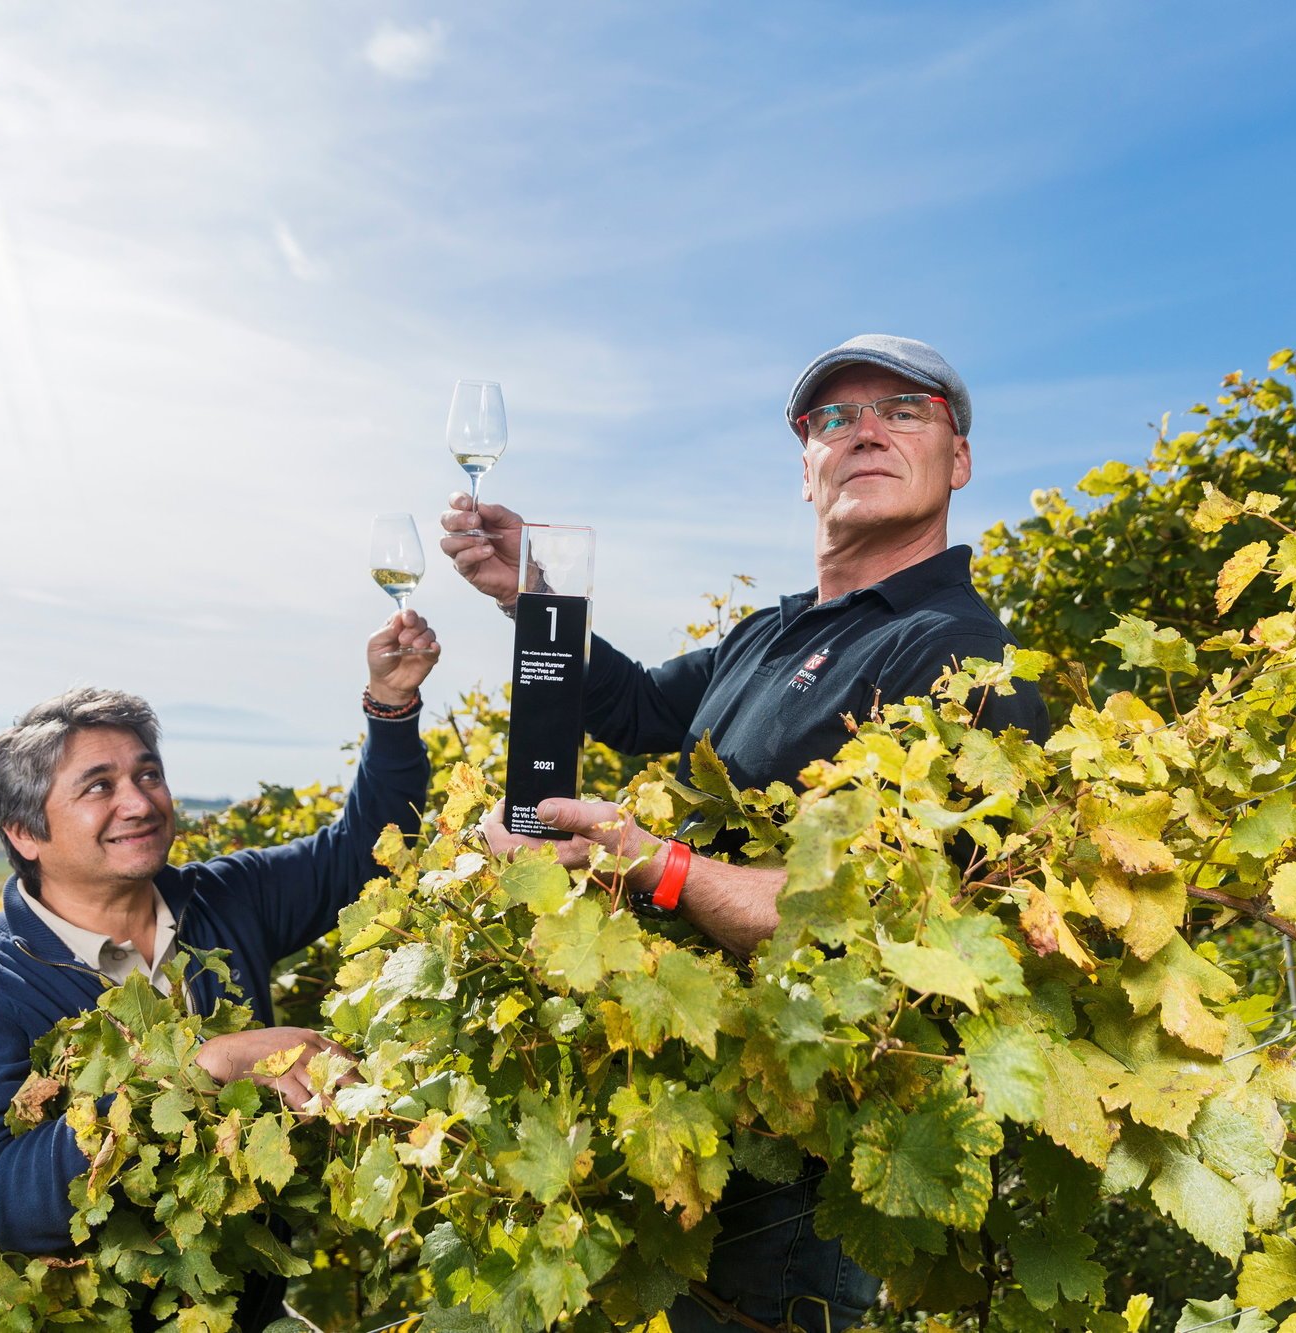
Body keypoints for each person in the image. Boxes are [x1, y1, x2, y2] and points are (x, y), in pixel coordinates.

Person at [440, 334, 1049, 1331]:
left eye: (903, 411)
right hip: (689, 1117)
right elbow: (636, 708)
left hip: (796, 1166)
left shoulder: (960, 654)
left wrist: (642, 863)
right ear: (803, 462)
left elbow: (872, 924)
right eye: (833, 418)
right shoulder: (770, 634)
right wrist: (529, 589)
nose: (864, 433)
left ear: (958, 459)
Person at [0, 611, 439, 1328]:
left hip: (255, 1306)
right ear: (25, 831)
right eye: (99, 786)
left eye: (147, 773)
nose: (140, 801)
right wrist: (202, 1066)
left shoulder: (223, 897)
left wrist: (392, 708)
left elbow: (361, 853)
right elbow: (2, 1199)